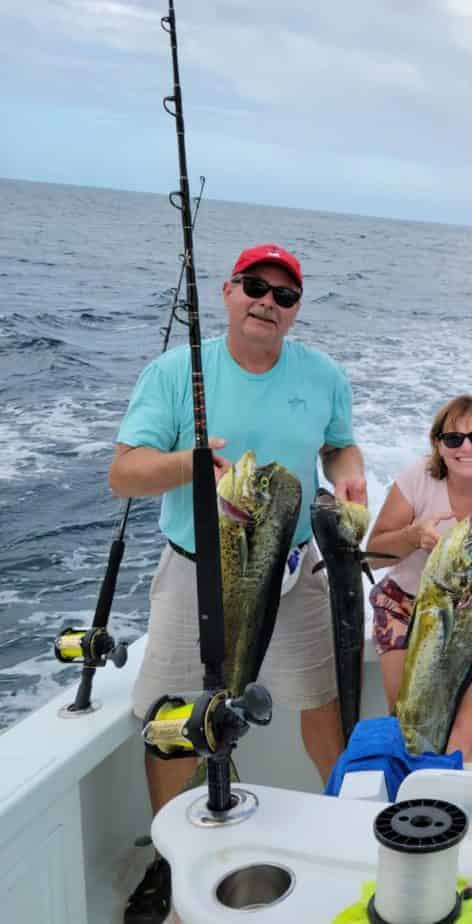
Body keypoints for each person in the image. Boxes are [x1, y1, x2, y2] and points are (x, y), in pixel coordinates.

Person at [110, 244, 366, 923]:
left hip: (294, 571)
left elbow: (339, 442)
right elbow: (124, 473)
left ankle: (344, 836)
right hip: (197, 569)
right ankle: (168, 858)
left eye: (284, 296)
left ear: (295, 311)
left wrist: (347, 473)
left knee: (325, 709)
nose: (268, 302)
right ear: (228, 292)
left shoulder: (323, 375)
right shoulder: (174, 373)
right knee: (170, 721)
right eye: (255, 286)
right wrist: (191, 465)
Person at [365, 394, 472, 762]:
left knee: (467, 726)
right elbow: (374, 555)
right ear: (438, 445)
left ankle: (459, 807)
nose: (467, 448)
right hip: (403, 604)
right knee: (405, 718)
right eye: (453, 439)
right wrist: (413, 536)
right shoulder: (418, 479)